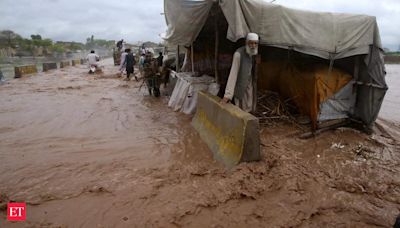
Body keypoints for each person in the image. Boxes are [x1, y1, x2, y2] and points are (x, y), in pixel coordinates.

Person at [220, 33, 259, 112]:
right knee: (239, 111)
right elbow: (233, 75)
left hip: (249, 86)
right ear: (247, 42)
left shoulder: (254, 53)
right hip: (239, 87)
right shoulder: (238, 54)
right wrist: (227, 95)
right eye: (251, 43)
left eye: (255, 43)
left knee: (249, 109)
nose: (253, 45)